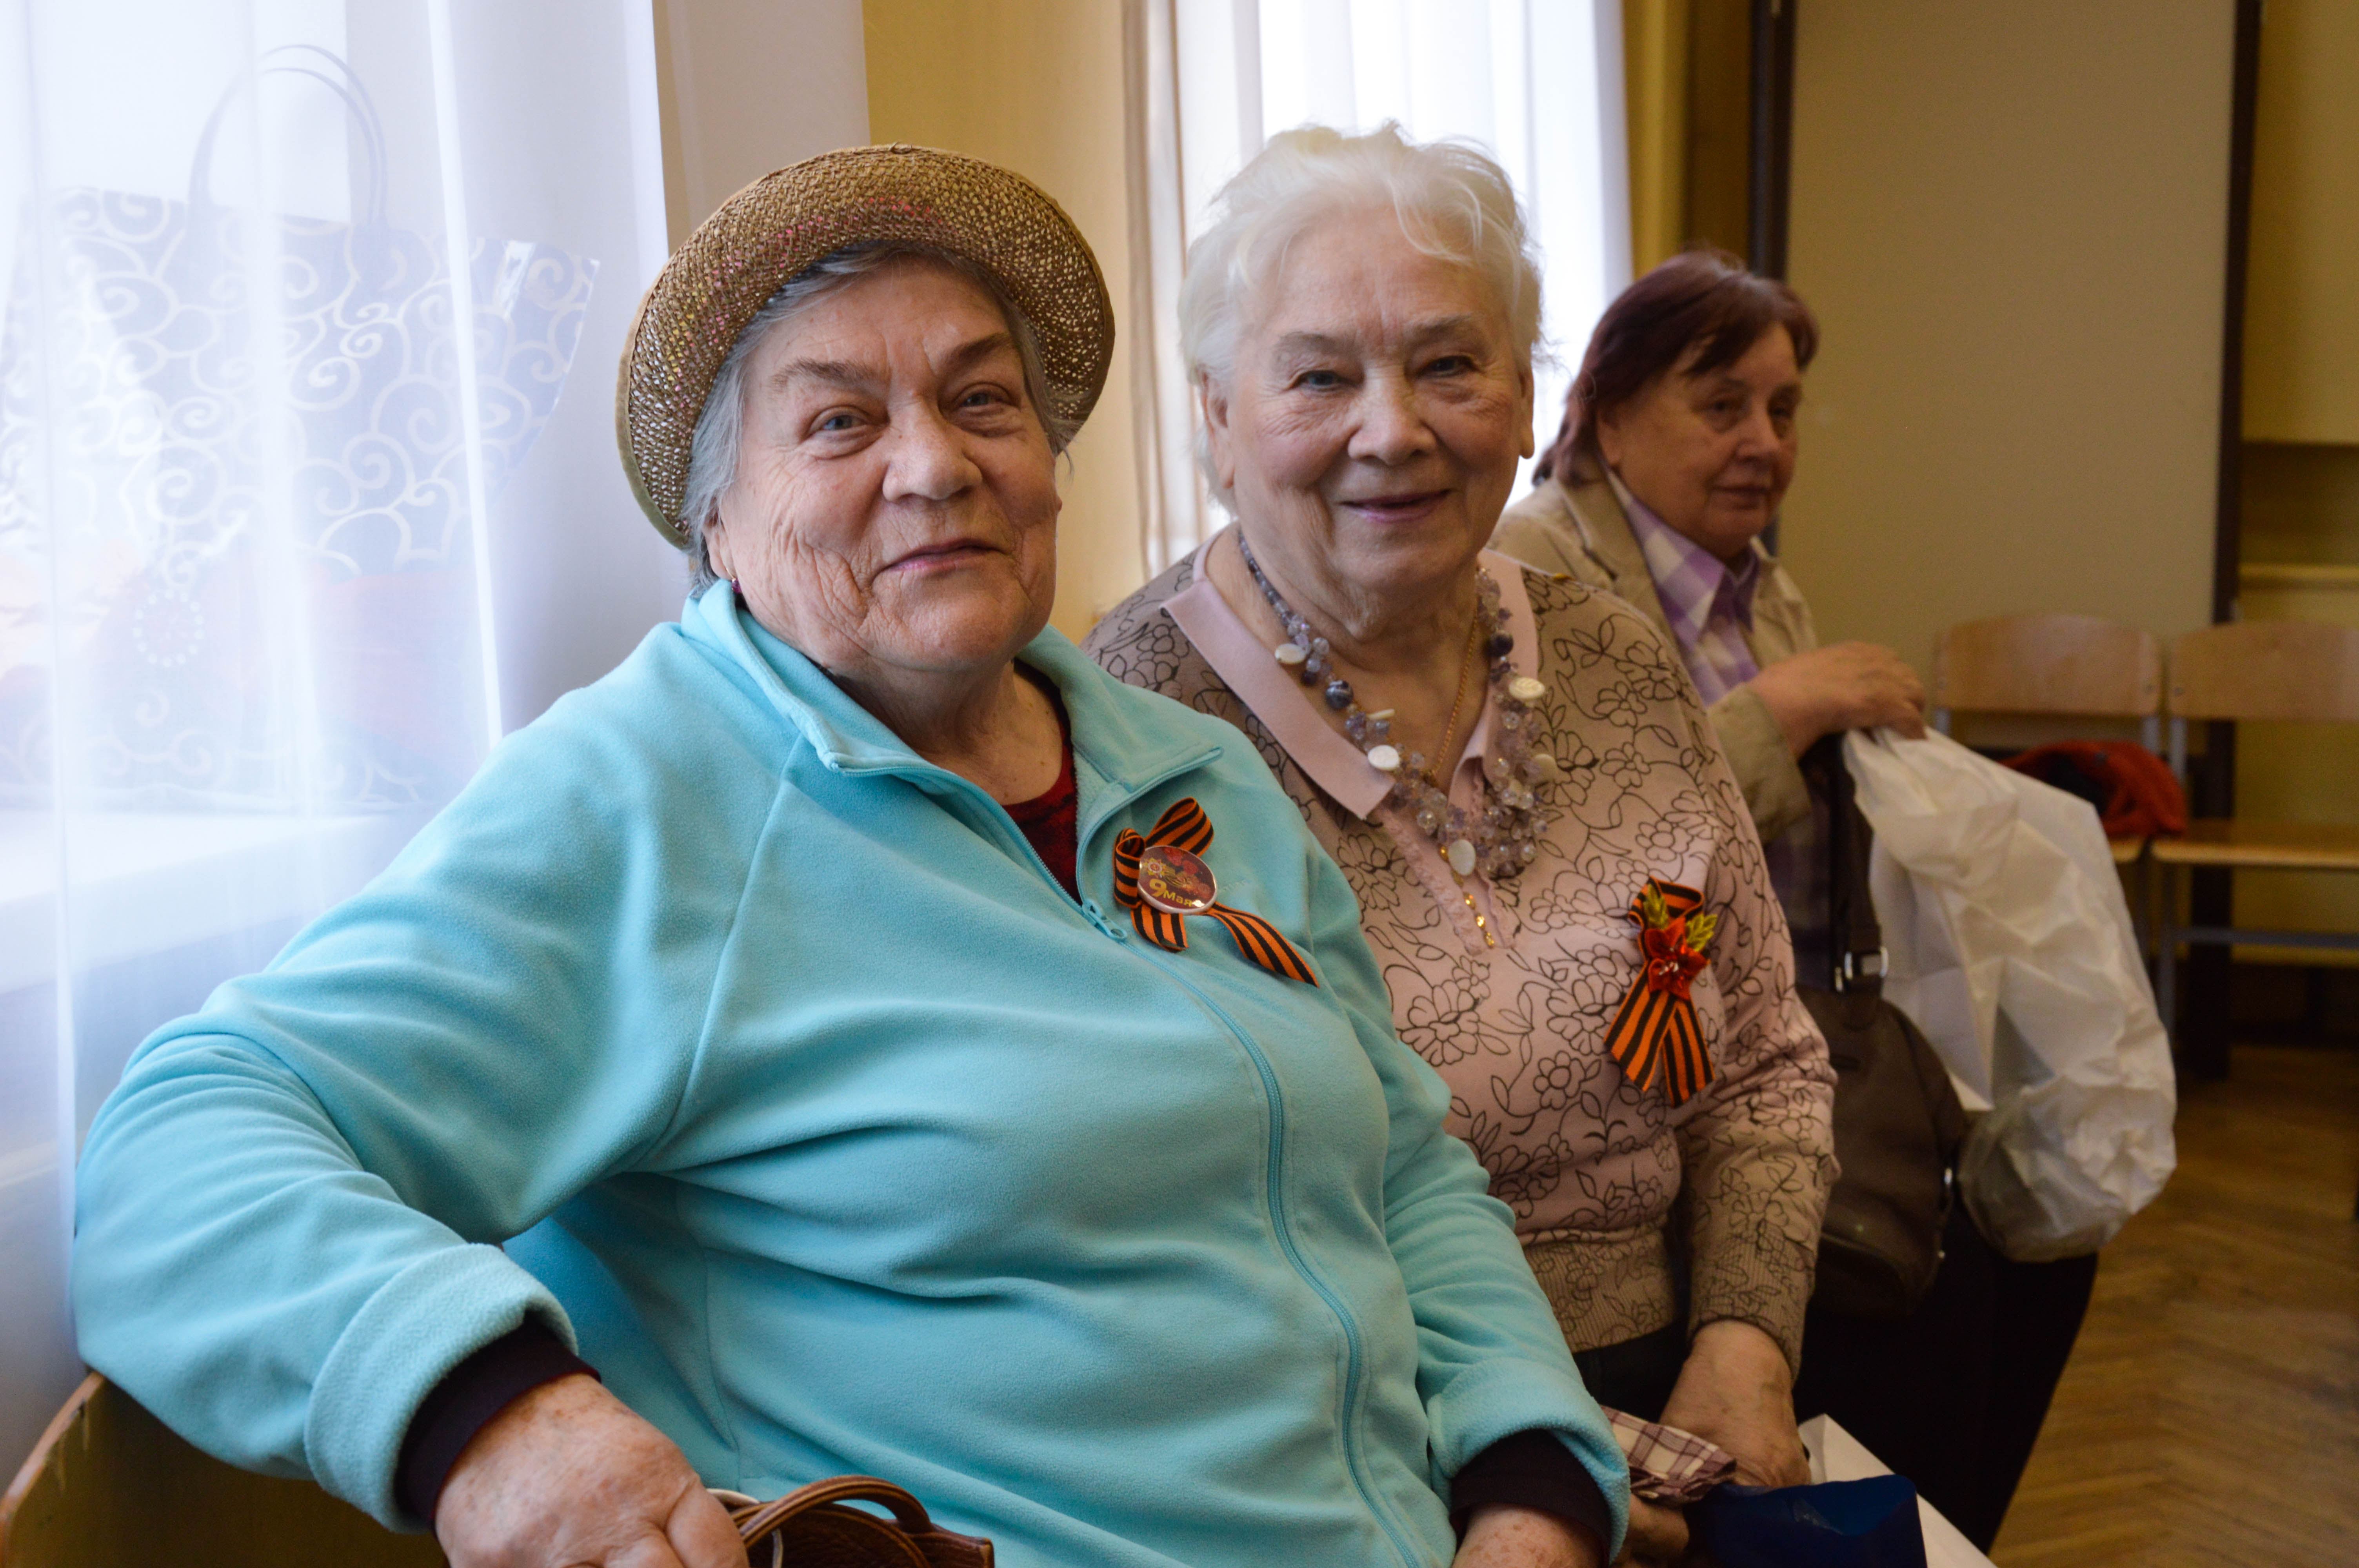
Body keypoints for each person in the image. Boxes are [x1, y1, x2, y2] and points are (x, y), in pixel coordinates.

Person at [71, 146, 1629, 1568]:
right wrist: (491, 1419)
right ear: (720, 525)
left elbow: (1403, 1169)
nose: (934, 464)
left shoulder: (1193, 772)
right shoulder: (652, 792)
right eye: (838, 422)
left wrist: (1535, 1498)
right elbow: (179, 1154)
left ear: (1052, 465)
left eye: (983, 401)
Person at [1084, 127, 1834, 1568]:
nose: (1393, 430)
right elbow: (1167, 1218)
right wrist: (1539, 1476)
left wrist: (1745, 1346)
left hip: (1689, 1395)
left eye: (1448, 365)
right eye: (1320, 378)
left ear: (1527, 394)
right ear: (1219, 420)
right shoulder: (1130, 728)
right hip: (1350, 1449)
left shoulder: (1617, 660)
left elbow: (1763, 1064)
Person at [1491, 249, 2089, 1550]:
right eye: (1723, 406)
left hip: (1791, 1019)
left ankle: (1923, 1539)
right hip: (1633, 1068)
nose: (1765, 442)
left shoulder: (1760, 579)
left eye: (1783, 408)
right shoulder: (1531, 566)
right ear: (1606, 415)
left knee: (2035, 1238)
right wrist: (1790, 708)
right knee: (1924, 1301)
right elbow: (1565, 847)